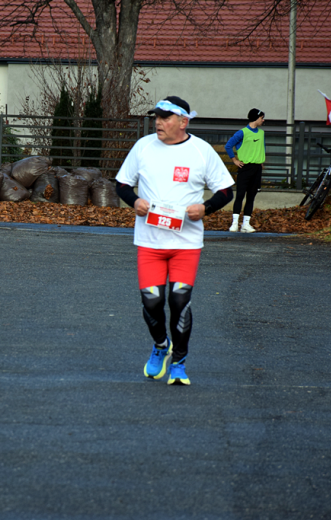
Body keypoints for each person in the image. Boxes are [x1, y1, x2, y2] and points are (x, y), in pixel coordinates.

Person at [115, 96, 234, 385]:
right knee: (152, 301)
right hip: (150, 243)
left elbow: (226, 190)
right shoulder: (143, 147)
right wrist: (135, 202)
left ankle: (179, 363)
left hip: (185, 245)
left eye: (166, 117)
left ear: (183, 122)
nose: (158, 122)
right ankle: (160, 346)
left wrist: (206, 208)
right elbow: (121, 184)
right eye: (157, 116)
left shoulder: (201, 151)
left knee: (180, 301)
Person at [225, 108, 266, 233]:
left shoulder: (261, 133)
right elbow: (228, 146)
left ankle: (246, 225)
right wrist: (234, 160)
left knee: (251, 197)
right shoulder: (242, 133)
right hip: (245, 168)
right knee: (240, 195)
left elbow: (261, 148)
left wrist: (261, 161)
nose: (263, 120)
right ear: (256, 118)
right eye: (262, 118)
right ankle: (235, 223)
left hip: (257, 168)